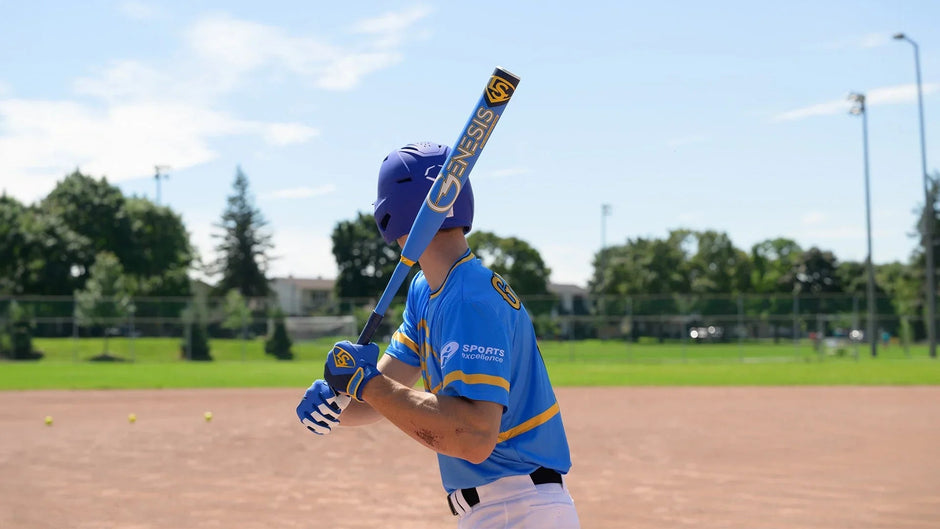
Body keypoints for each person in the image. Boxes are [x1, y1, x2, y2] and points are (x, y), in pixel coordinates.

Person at [296, 142, 580, 528]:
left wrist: (369, 385)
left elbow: (475, 438)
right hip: (502, 508)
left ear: (390, 216)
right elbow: (382, 395)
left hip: (519, 506)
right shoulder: (428, 290)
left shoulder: (468, 298)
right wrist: (340, 403)